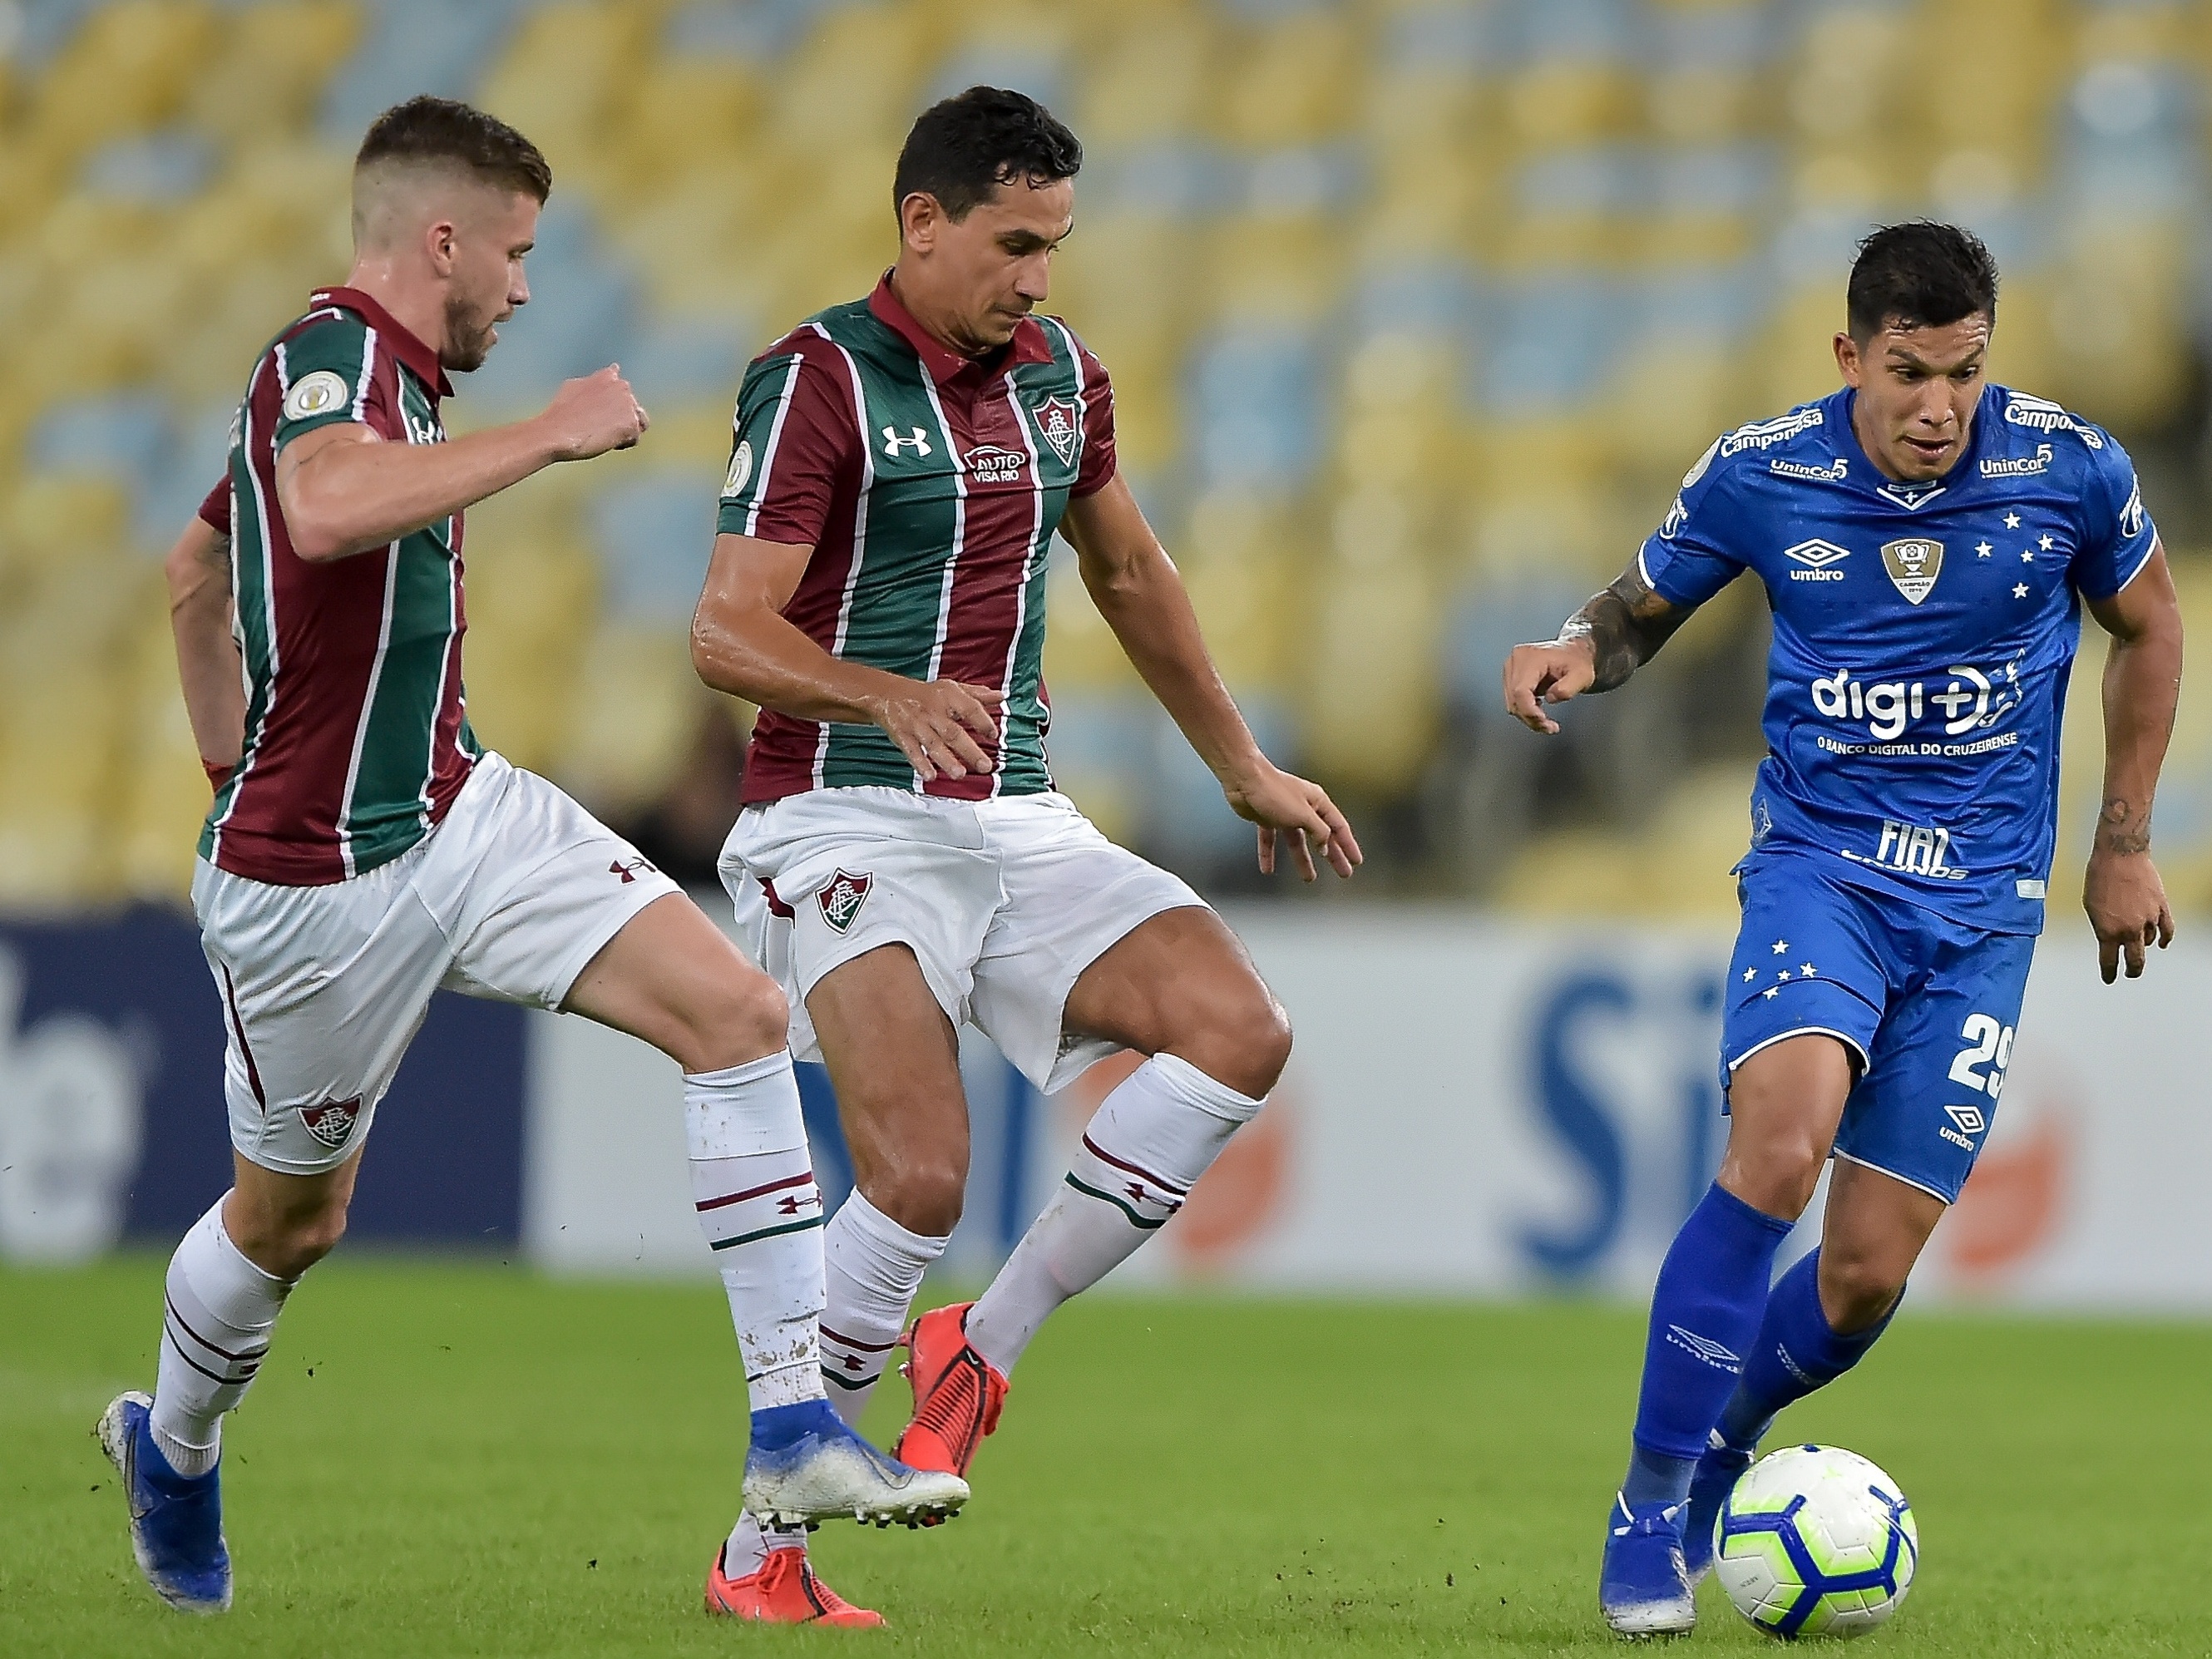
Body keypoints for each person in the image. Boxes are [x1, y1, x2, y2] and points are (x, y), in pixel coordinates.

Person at [106, 96, 963, 1628]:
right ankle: (169, 1444)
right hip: (314, 890)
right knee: (291, 1225)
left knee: (737, 1019)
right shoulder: (334, 360)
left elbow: (194, 568)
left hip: (461, 808)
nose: (521, 286)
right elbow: (315, 506)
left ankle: (791, 1438)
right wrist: (553, 431)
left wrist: (224, 739)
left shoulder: (399, 382)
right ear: (441, 239)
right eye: (512, 253)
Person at [688, 84, 1361, 1584]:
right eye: (1012, 243)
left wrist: (1242, 763)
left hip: (1016, 811)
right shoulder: (818, 380)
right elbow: (725, 631)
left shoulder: (1062, 374)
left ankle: (977, 1349)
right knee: (922, 1177)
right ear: (919, 222)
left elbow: (1131, 572)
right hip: (839, 807)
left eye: (1054, 245)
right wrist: (886, 696)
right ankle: (761, 1550)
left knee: (1241, 1030)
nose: (1037, 277)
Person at [1503, 221, 2182, 1637]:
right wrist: (1578, 644)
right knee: (1778, 1146)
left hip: (1984, 911)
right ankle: (1648, 1495)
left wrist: (2122, 844)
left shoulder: (2069, 468)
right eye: (1909, 374)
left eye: (1965, 374)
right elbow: (1639, 607)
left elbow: (2153, 627)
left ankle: (1722, 1455)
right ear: (1849, 357)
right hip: (1823, 872)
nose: (1941, 407)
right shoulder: (1765, 471)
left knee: (1867, 1273)